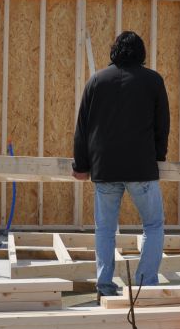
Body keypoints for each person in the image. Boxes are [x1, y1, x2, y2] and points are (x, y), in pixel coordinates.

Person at [72, 31, 170, 299]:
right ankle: (144, 284)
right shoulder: (152, 81)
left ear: (114, 51)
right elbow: (163, 124)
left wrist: (80, 164)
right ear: (141, 52)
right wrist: (158, 156)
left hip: (105, 168)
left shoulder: (97, 81)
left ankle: (104, 284)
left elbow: (82, 127)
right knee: (152, 225)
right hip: (141, 167)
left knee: (105, 229)